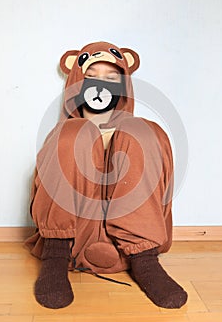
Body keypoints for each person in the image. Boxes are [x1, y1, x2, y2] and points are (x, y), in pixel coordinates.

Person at [25, 41, 188, 309]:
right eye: (90, 77)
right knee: (69, 133)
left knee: (144, 131)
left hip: (130, 244)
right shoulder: (66, 134)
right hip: (72, 240)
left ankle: (145, 261)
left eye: (112, 78)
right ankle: (55, 256)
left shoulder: (133, 131)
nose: (101, 85)